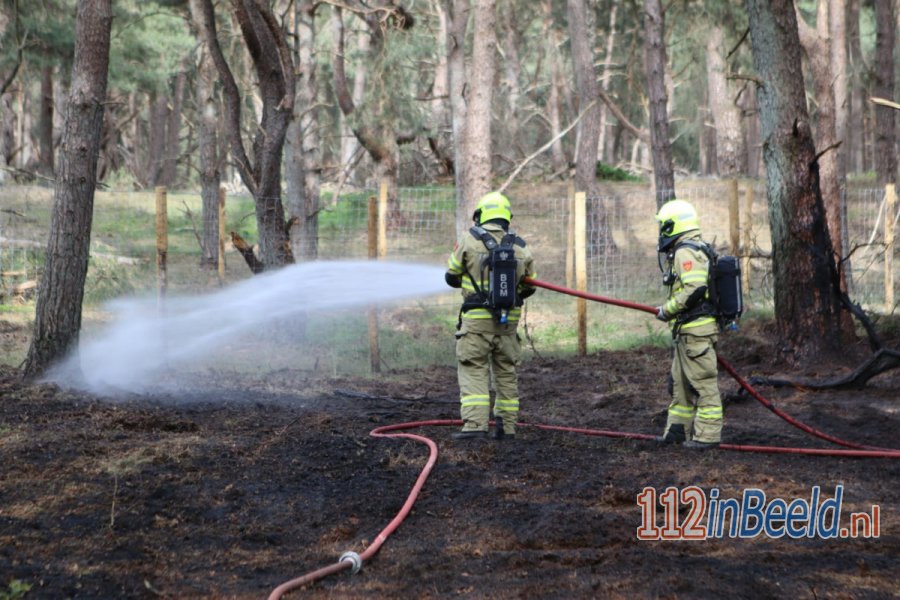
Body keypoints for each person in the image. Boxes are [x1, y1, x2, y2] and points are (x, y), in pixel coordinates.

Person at [444, 191, 536, 441]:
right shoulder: (521, 247)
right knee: (506, 371)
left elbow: (451, 275)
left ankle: (475, 425)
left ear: (480, 216)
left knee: (474, 368)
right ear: (507, 217)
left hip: (476, 323)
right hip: (508, 325)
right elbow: (529, 287)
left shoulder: (469, 240)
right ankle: (507, 428)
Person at [653, 199, 723, 450]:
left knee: (703, 384)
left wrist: (667, 310)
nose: (661, 232)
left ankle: (708, 436)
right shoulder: (690, 249)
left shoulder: (686, 251)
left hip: (696, 331)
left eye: (664, 226)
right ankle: (677, 431)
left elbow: (695, 288)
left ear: (674, 225)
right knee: (680, 384)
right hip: (688, 331)